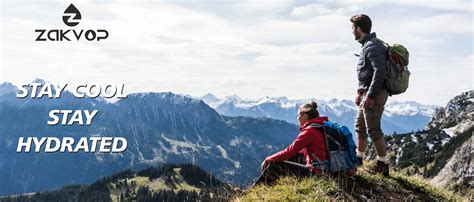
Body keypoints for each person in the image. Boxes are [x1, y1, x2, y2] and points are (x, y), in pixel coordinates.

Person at [350, 14, 390, 176]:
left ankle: (383, 164)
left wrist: (371, 95)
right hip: (367, 92)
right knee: (360, 126)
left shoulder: (372, 46)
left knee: (373, 129)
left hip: (375, 94)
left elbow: (380, 72)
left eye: (353, 28)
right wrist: (360, 92)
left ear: (359, 29)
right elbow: (367, 72)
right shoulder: (367, 46)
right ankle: (358, 158)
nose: (352, 31)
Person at [255, 101, 329, 184]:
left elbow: (289, 151)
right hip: (326, 170)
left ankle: (255, 190)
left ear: (305, 116)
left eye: (298, 115)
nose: (297, 118)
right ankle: (273, 185)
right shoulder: (322, 126)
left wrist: (269, 159)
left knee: (274, 165)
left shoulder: (309, 131)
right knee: (292, 157)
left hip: (317, 173)